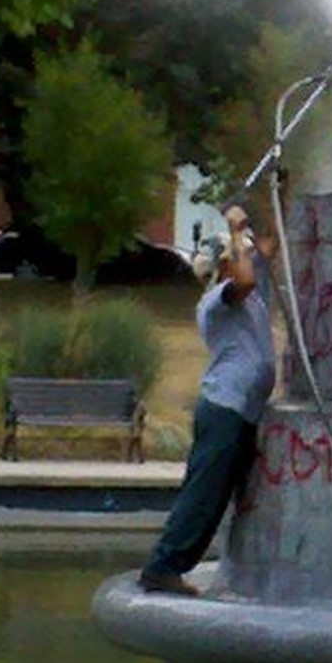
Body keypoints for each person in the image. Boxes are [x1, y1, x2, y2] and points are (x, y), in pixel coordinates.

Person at [139, 203, 277, 596]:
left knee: (219, 498)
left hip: (243, 412)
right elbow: (246, 277)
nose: (246, 255)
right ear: (222, 266)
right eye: (237, 255)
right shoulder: (218, 301)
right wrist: (235, 229)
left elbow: (269, 246)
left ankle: (175, 566)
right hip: (224, 409)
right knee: (203, 493)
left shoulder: (253, 296)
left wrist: (277, 194)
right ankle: (162, 566)